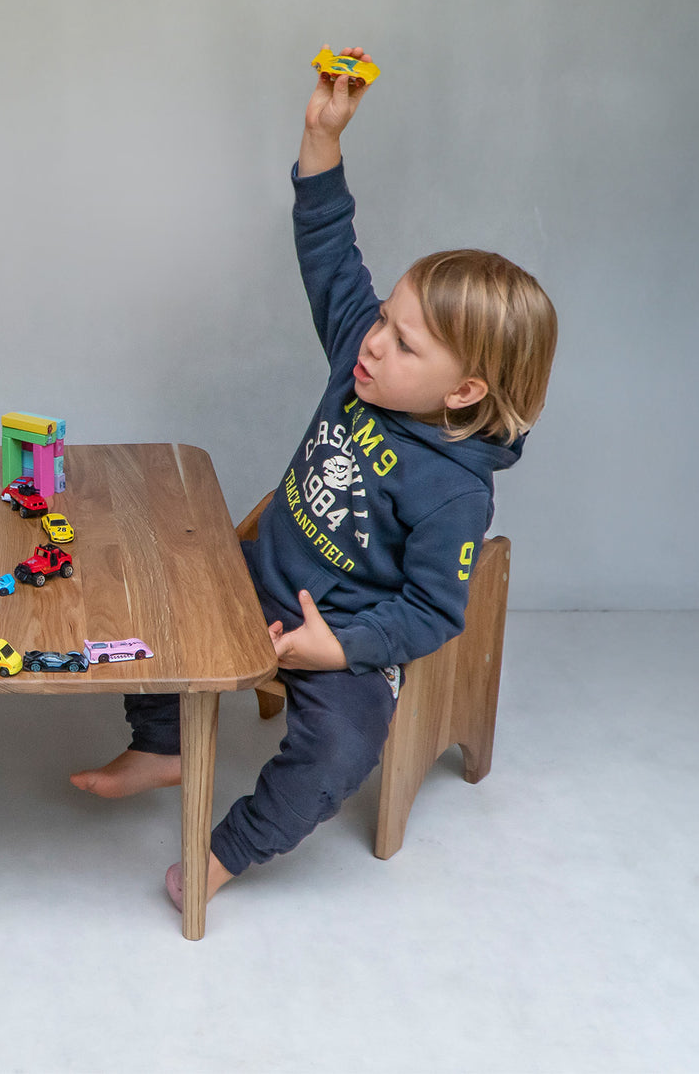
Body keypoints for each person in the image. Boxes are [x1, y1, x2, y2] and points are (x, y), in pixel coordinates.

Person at [70, 47, 558, 909]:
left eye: (404, 344)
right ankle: (161, 744)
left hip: (347, 636)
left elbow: (432, 611)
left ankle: (229, 851)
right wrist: (321, 138)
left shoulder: (455, 492)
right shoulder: (357, 364)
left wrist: (339, 648)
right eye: (383, 319)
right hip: (258, 575)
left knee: (339, 748)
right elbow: (329, 247)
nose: (373, 341)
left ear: (463, 391)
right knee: (150, 590)